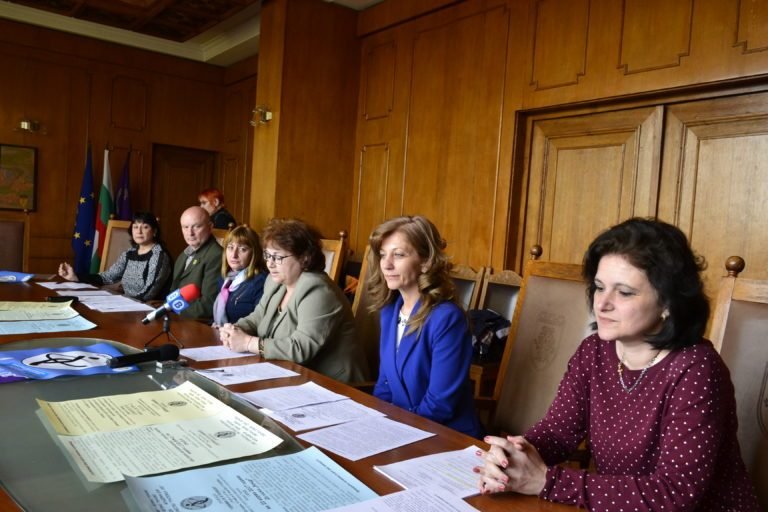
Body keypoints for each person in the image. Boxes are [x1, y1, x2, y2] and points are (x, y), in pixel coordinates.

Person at [476, 218, 760, 511]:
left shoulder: (697, 369)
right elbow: (557, 433)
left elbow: (675, 494)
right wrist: (512, 457)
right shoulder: (594, 351)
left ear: (668, 303)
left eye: (624, 292)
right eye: (599, 288)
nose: (601, 304)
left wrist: (548, 482)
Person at [367, 215, 482, 438]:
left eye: (398, 255)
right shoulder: (389, 311)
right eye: (382, 254)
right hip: (401, 429)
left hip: (445, 436)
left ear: (426, 261)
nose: (386, 264)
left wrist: (397, 432)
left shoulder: (447, 319)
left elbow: (439, 404)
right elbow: (385, 385)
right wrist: (376, 425)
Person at [218, 218, 366, 383]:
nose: (270, 264)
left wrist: (248, 343)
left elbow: (300, 348)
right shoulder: (275, 281)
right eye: (267, 255)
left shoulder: (318, 291)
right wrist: (235, 330)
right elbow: (258, 317)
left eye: (277, 257)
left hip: (334, 385)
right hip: (291, 375)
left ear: (304, 258)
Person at [58, 211, 171, 301]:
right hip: (128, 305)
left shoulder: (160, 256)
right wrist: (76, 277)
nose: (139, 231)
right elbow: (107, 277)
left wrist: (122, 302)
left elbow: (149, 293)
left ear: (154, 231)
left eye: (145, 227)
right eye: (135, 227)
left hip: (148, 308)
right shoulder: (129, 253)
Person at [170, 206, 222, 320]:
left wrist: (172, 310)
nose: (190, 233)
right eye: (185, 227)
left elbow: (207, 305)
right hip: (179, 317)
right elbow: (173, 292)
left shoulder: (216, 255)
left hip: (197, 323)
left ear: (210, 227)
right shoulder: (184, 254)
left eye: (197, 226)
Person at [212, 225, 268, 325]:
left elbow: (259, 322)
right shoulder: (225, 278)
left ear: (254, 253)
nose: (234, 255)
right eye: (230, 247)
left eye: (242, 249)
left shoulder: (260, 282)